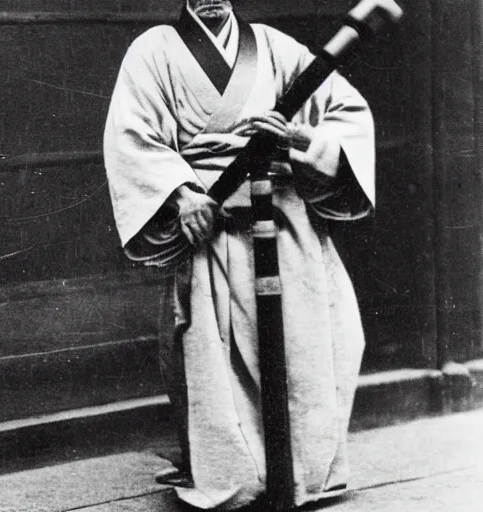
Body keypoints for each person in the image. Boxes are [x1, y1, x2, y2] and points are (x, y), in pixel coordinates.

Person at [104, 0, 375, 510]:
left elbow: (345, 112)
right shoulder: (153, 51)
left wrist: (300, 137)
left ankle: (306, 473)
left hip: (283, 207)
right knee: (213, 348)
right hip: (211, 216)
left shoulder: (275, 47)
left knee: (319, 338)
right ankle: (238, 476)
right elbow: (133, 137)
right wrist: (181, 194)